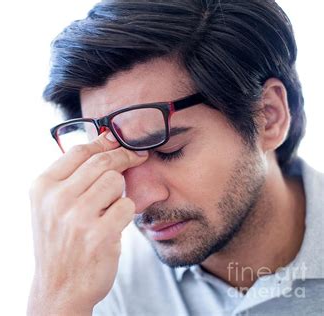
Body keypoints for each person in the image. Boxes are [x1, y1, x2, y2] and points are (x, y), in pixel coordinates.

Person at [28, 0, 324, 315]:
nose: (137, 202)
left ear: (268, 116)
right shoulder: (101, 288)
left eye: (168, 150)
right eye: (114, 161)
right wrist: (56, 297)